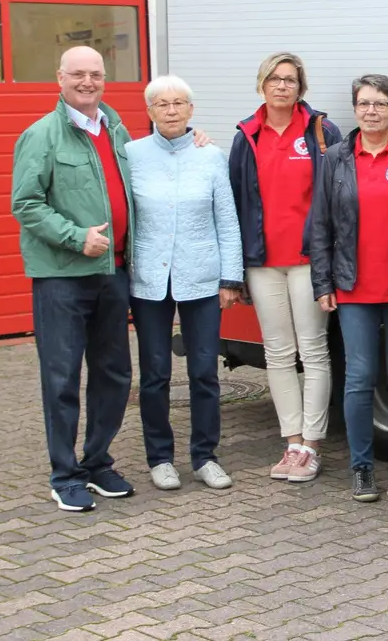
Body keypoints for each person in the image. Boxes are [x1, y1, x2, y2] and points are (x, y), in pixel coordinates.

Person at [10, 45, 140, 512]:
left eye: (96, 74)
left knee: (114, 374)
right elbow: (25, 203)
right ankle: (64, 474)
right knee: (62, 376)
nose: (88, 82)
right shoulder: (41, 135)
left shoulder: (116, 129)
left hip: (113, 273)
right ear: (59, 78)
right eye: (78, 74)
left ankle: (97, 461)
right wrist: (75, 237)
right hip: (63, 277)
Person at [126, 74, 243, 492]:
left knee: (204, 372)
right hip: (148, 280)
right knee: (155, 373)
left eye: (179, 103)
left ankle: (204, 456)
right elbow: (127, 219)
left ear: (191, 110)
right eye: (163, 104)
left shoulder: (210, 156)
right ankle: (159, 458)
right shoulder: (132, 155)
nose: (172, 110)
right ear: (150, 111)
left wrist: (231, 277)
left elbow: (226, 221)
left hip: (202, 277)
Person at [228, 52, 341, 484]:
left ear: (301, 87)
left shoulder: (319, 131)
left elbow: (335, 198)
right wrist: (235, 272)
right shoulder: (247, 135)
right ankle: (291, 441)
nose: (282, 86)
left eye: (290, 80)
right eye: (274, 79)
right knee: (277, 353)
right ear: (262, 84)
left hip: (308, 261)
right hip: (264, 262)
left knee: (312, 351)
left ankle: (312, 445)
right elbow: (235, 204)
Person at [311, 74, 388, 503]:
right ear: (355, 109)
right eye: (364, 103)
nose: (371, 110)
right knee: (358, 378)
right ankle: (361, 468)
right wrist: (323, 281)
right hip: (352, 285)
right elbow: (320, 224)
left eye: (380, 103)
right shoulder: (337, 157)